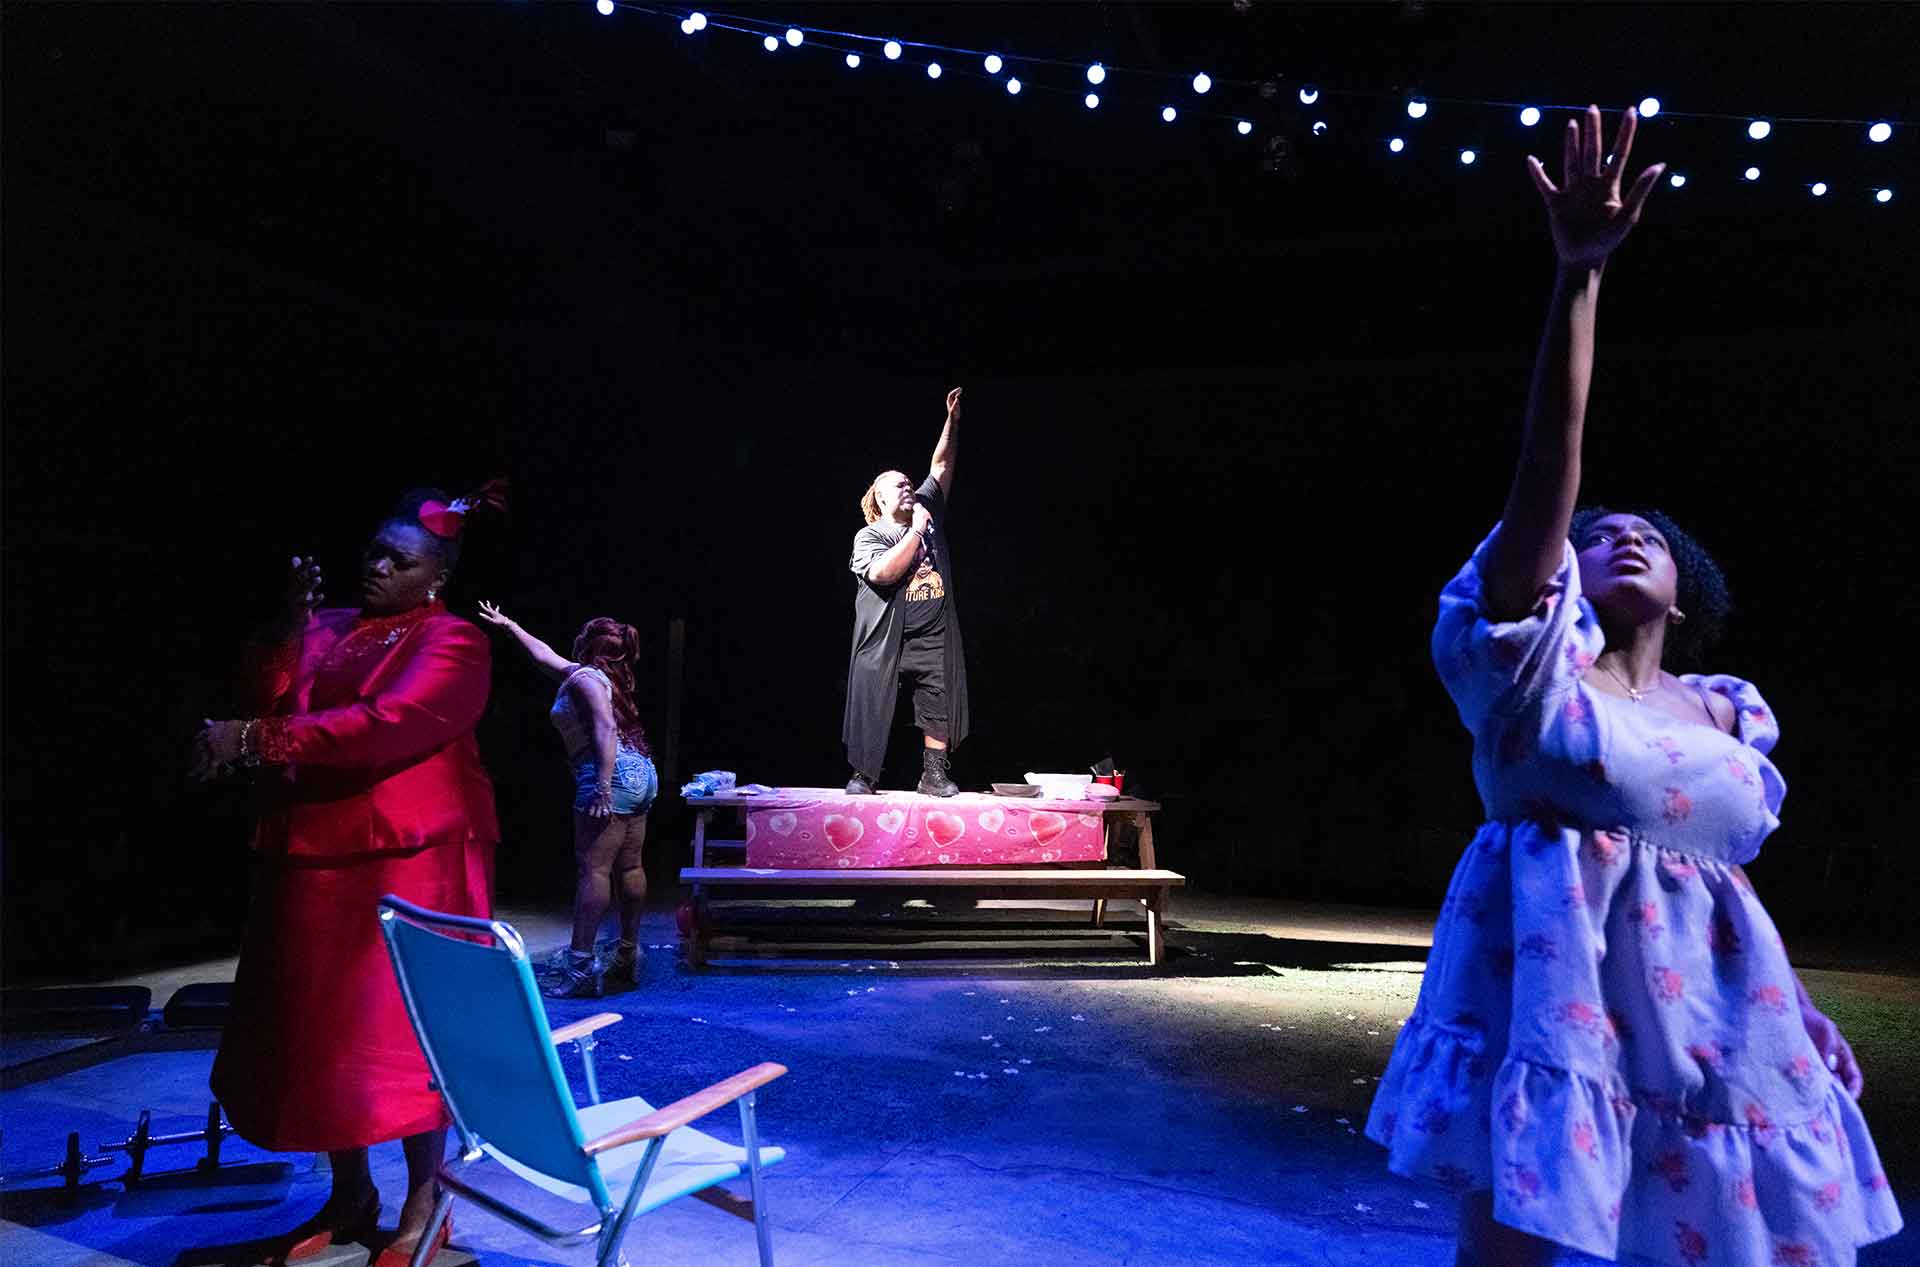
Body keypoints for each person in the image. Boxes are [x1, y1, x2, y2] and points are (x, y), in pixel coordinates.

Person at [1365, 108, 1902, 1267]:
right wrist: (1579, 280)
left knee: (1755, 1231)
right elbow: (1543, 473)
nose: (1621, 537)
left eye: (1644, 535)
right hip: (1563, 1000)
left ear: (1685, 582)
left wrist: (1799, 1006)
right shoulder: (1528, 681)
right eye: (1594, 533)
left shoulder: (1725, 711)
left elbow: (1726, 885)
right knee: (1520, 1237)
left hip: (1724, 1017)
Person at [192, 485, 502, 1267]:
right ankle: (350, 1192)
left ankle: (426, 1205)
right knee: (323, 1037)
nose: (377, 566)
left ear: (436, 576)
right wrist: (288, 628)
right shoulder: (333, 628)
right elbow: (271, 695)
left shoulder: (454, 640)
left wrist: (256, 739)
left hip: (409, 859)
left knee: (403, 1033)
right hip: (313, 853)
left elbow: (386, 726)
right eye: (374, 550)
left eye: (400, 559)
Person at [476, 605, 657, 997]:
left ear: (587, 644)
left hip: (612, 772)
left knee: (593, 871)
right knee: (630, 866)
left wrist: (603, 787)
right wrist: (511, 626)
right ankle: (627, 955)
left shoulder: (586, 680)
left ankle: (579, 968)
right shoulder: (597, 677)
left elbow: (605, 728)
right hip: (642, 771)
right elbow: (545, 656)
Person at [844, 386, 969, 797]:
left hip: (932, 632)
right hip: (888, 636)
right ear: (878, 497)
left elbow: (941, 464)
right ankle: (865, 774)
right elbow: (882, 574)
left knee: (938, 696)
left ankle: (932, 775)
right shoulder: (871, 534)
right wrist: (916, 530)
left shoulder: (927, 505)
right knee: (874, 698)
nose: (907, 487)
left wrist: (951, 421)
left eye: (908, 483)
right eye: (897, 484)